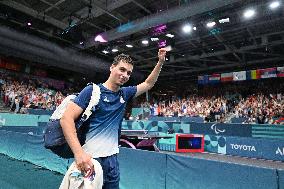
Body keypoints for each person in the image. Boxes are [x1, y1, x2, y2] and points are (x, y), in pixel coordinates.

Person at [60, 48, 167, 189]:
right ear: (112, 67)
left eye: (128, 73)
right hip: (90, 159)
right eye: (122, 70)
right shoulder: (92, 91)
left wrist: (160, 62)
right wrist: (79, 153)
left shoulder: (124, 94)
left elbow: (148, 84)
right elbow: (66, 119)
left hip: (112, 161)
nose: (125, 75)